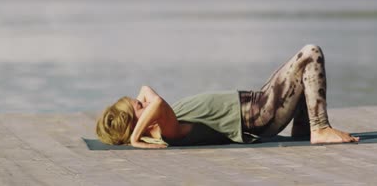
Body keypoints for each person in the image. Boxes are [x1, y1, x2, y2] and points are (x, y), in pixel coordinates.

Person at [96, 44, 360, 148]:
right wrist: (134, 137)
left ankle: (304, 129)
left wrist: (136, 119)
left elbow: (145, 88)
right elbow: (156, 102)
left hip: (255, 105)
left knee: (301, 73)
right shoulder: (163, 129)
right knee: (310, 53)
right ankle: (319, 128)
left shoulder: (158, 125)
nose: (143, 98)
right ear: (140, 123)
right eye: (139, 104)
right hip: (257, 113)